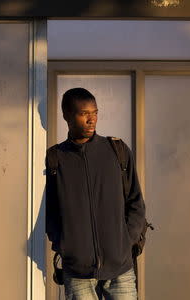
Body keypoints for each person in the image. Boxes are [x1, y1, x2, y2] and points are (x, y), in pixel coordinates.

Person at [45, 88, 146, 300]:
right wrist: (65, 245)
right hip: (78, 270)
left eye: (95, 112)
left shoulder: (116, 150)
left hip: (120, 268)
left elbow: (135, 202)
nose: (92, 120)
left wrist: (125, 242)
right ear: (67, 115)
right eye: (84, 114)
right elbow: (49, 211)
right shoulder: (55, 158)